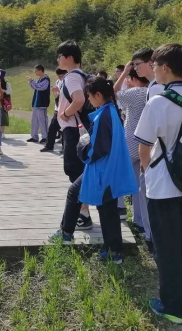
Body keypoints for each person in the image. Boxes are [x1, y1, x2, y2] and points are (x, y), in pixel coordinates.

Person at [135, 43, 182, 325]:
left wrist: (147, 173)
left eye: (155, 65)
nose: (153, 69)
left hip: (163, 185)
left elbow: (144, 146)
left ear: (165, 68)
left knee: (166, 248)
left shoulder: (158, 101)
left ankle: (173, 307)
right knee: (181, 242)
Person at [53, 77, 138, 264]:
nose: (89, 101)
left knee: (101, 206)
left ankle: (111, 250)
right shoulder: (110, 110)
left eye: (89, 96)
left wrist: (81, 149)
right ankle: (110, 249)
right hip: (108, 167)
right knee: (102, 205)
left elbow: (98, 149)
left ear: (98, 95)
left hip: (101, 170)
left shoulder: (104, 116)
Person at [57, 40, 92, 230]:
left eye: (60, 56)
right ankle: (83, 212)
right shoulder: (82, 75)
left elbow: (79, 100)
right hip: (79, 129)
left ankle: (83, 214)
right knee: (79, 171)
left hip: (73, 130)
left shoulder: (71, 77)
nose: (58, 60)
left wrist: (65, 113)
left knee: (75, 172)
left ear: (69, 58)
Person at [130, 47, 160, 253]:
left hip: (154, 152)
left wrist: (145, 158)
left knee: (147, 192)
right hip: (153, 151)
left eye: (137, 64)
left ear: (151, 63)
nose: (135, 69)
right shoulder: (153, 86)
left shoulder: (156, 88)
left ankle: (151, 237)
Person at [114, 63, 149, 230]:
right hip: (144, 143)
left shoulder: (136, 92)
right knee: (138, 185)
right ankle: (139, 219)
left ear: (134, 78)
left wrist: (124, 74)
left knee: (118, 175)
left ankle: (120, 207)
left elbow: (113, 92)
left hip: (130, 141)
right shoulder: (150, 91)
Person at [41, 68, 67, 153]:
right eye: (58, 76)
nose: (60, 78)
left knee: (64, 129)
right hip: (57, 108)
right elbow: (56, 95)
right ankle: (49, 145)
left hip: (65, 109)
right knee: (52, 127)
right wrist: (55, 92)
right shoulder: (58, 82)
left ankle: (64, 148)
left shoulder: (67, 81)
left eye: (61, 76)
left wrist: (59, 91)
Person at [27, 65, 50, 143]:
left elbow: (39, 87)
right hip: (36, 103)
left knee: (42, 120)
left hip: (42, 103)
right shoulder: (40, 79)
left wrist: (32, 81)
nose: (35, 72)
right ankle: (34, 136)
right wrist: (31, 82)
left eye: (36, 71)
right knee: (34, 120)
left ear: (40, 70)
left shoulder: (46, 79)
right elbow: (35, 86)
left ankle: (45, 137)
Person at [0, 69, 12, 137]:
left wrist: (2, 90)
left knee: (3, 117)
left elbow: (9, 91)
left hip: (3, 102)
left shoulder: (6, 83)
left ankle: (2, 133)